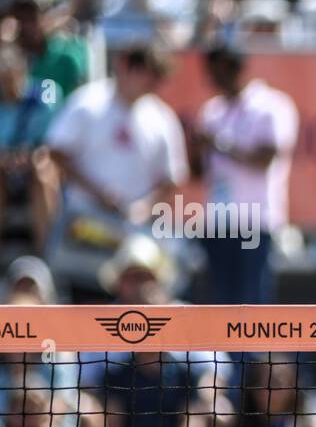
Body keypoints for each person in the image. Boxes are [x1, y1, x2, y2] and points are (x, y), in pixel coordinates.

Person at [43, 44, 188, 299]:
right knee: (84, 309)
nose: (152, 83)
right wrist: (98, 192)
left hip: (135, 231)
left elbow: (174, 178)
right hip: (86, 224)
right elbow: (56, 152)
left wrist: (145, 206)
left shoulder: (162, 117)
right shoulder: (88, 102)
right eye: (147, 74)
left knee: (139, 309)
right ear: (124, 66)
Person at [192, 44, 299, 305]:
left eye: (216, 71)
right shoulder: (211, 110)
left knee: (251, 304)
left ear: (232, 69)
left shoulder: (270, 105)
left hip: (255, 222)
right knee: (220, 304)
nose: (212, 79)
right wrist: (196, 148)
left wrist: (218, 143)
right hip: (218, 223)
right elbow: (198, 172)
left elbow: (265, 158)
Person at [0, 42, 61, 252]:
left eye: (12, 76)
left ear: (23, 71)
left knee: (43, 172)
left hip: (39, 162)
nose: (8, 84)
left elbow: (54, 141)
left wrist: (34, 156)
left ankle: (45, 250)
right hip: (5, 169)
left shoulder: (47, 91)